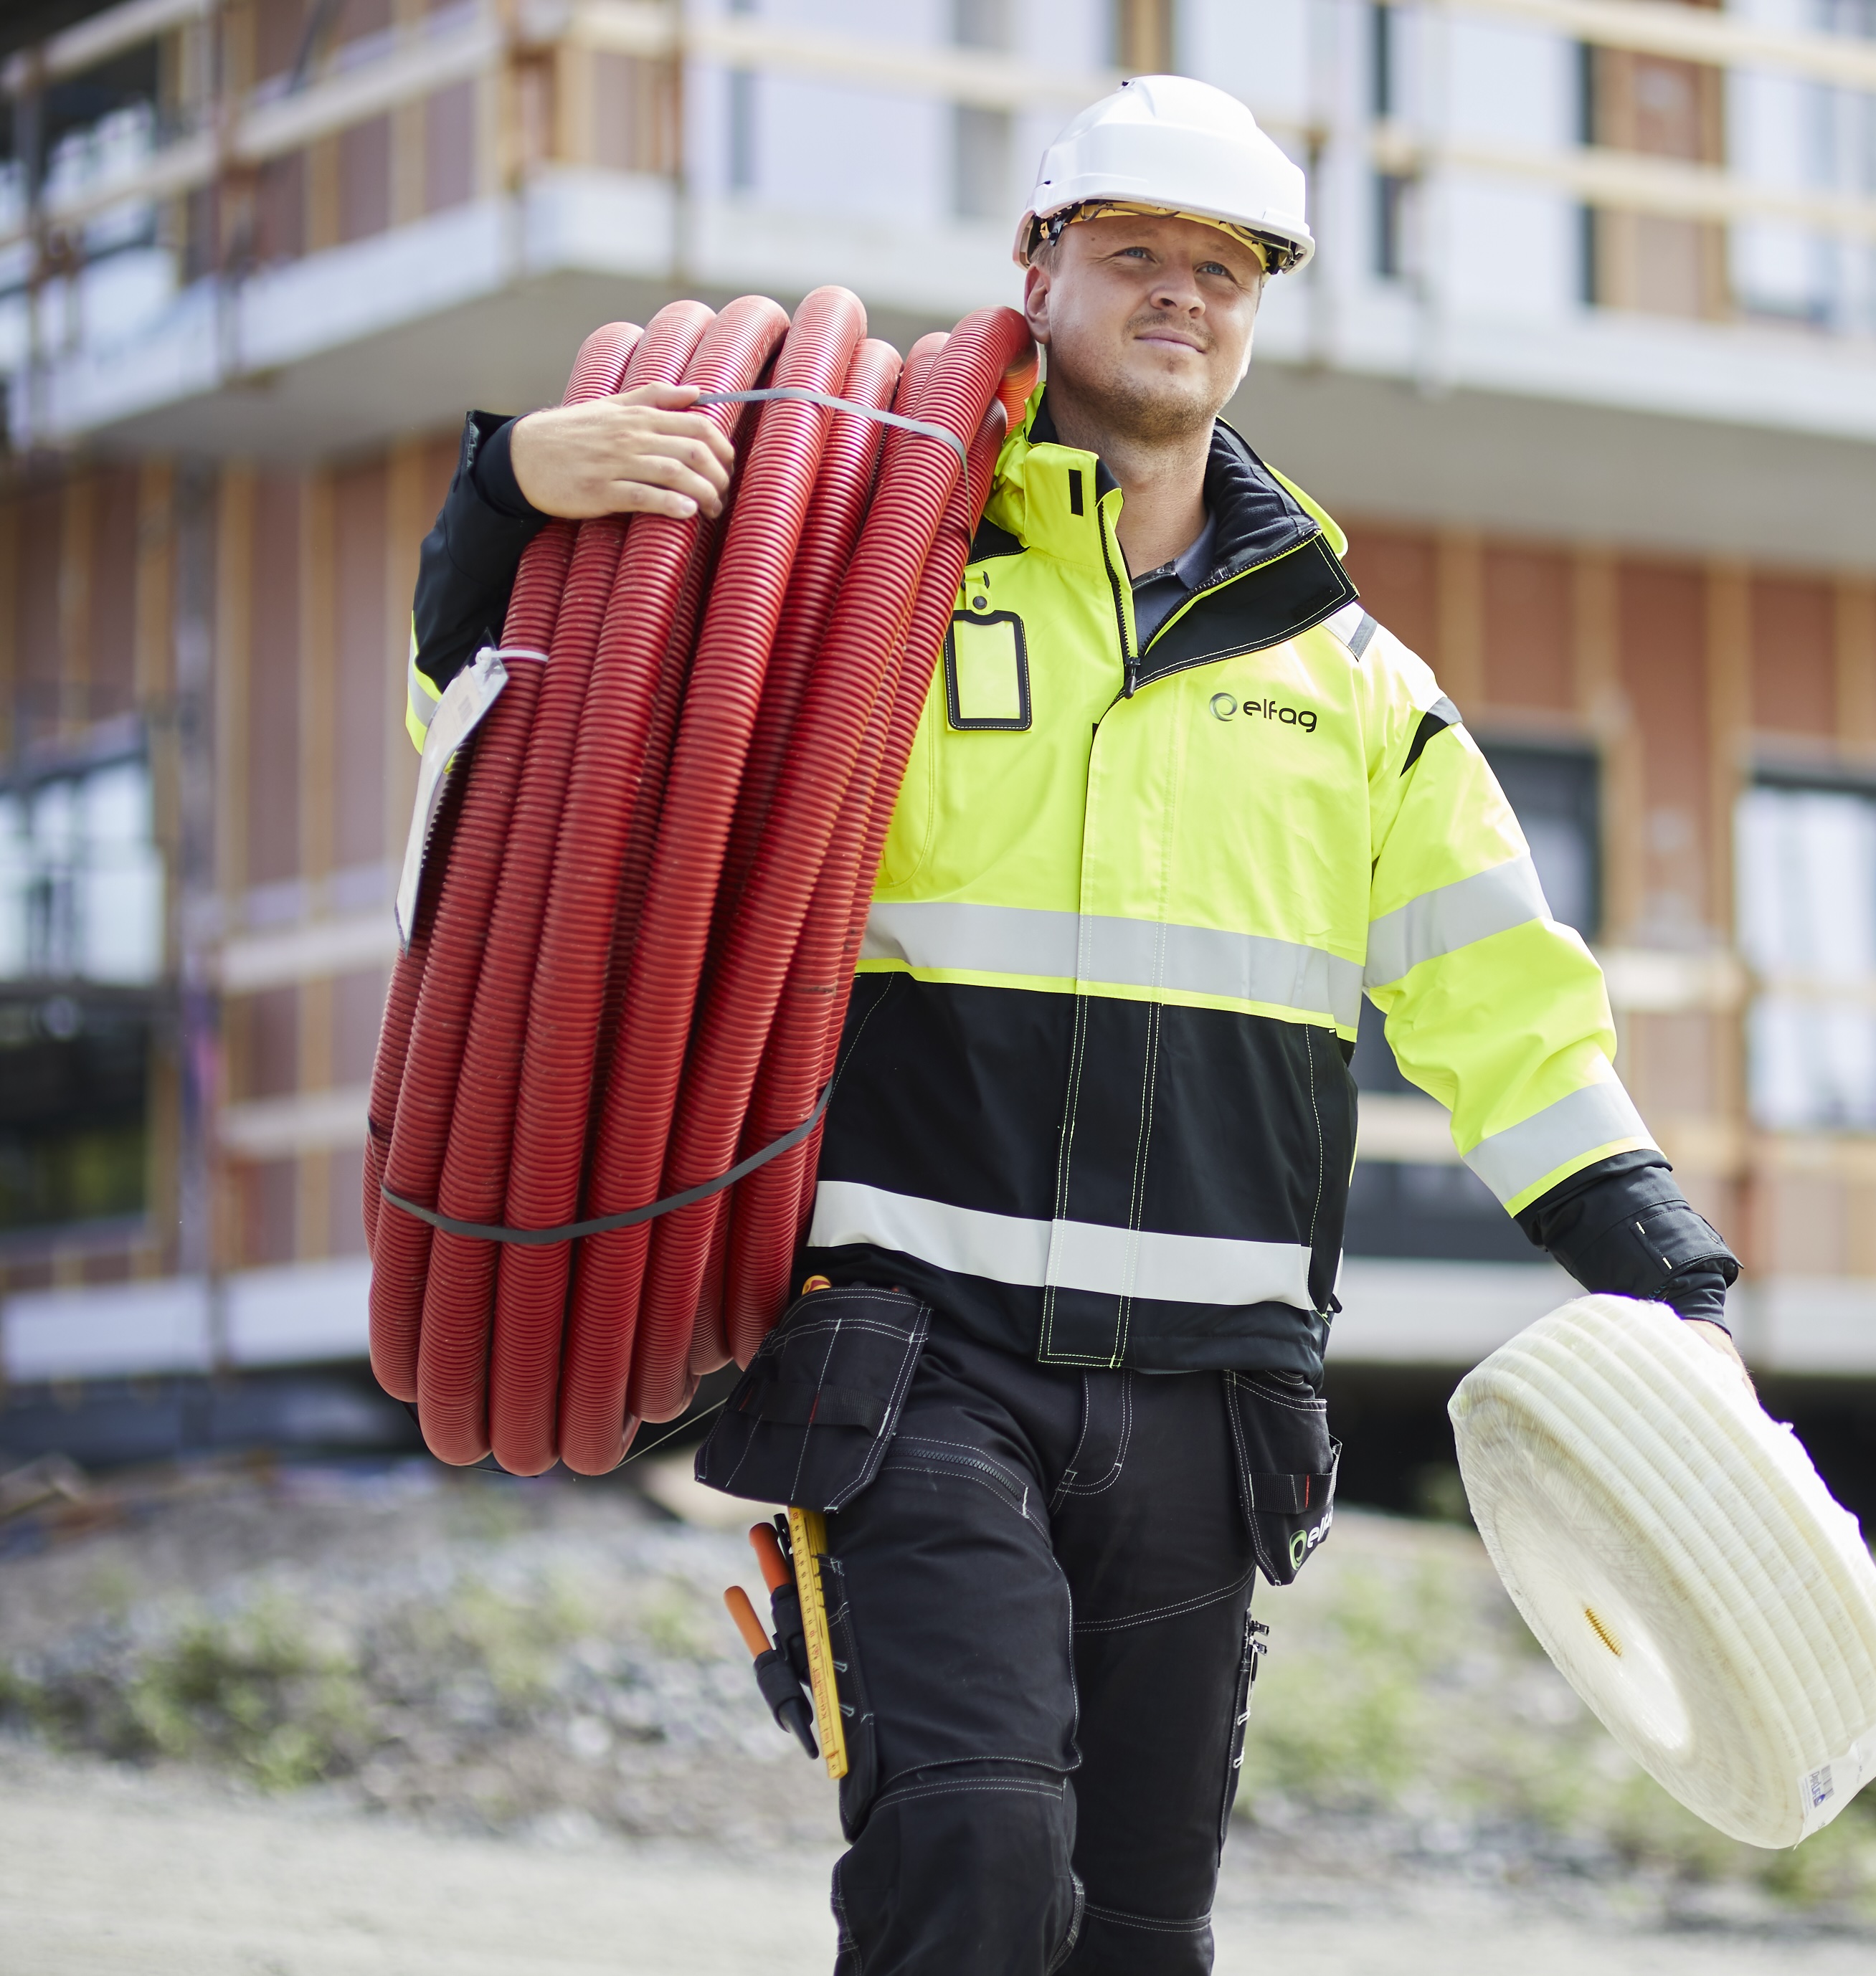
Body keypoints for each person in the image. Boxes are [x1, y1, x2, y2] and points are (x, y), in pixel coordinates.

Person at [404, 75, 1743, 1976]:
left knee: (1136, 1933)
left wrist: (1636, 1230)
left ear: (1260, 301)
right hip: (911, 1350)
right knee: (970, 1841)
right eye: (1132, 253)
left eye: (1223, 266)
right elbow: (525, 757)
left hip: (1212, 1400)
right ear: (1037, 267)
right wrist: (497, 508)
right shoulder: (864, 579)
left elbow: (1492, 979)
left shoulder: (1349, 677)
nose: (1179, 294)